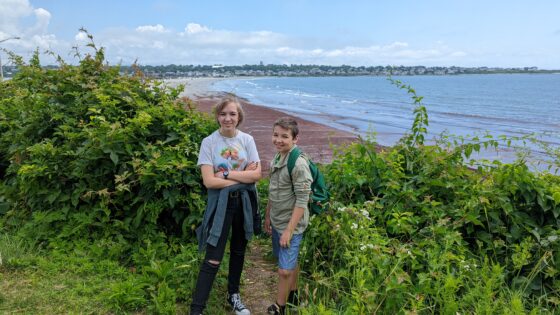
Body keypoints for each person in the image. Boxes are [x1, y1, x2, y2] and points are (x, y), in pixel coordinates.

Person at [191, 97, 262, 315]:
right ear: (217, 116)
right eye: (223, 114)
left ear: (239, 117)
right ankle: (197, 309)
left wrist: (227, 174)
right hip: (220, 205)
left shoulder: (247, 140)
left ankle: (234, 296)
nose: (227, 118)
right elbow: (209, 181)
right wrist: (243, 177)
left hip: (244, 204)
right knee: (213, 257)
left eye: (232, 114)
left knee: (239, 251)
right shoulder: (209, 142)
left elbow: (257, 174)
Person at [265, 117, 313, 315]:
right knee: (287, 261)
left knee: (284, 270)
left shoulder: (299, 164)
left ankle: (280, 306)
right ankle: (294, 297)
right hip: (277, 220)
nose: (278, 140)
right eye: (276, 135)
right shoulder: (277, 157)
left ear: (295, 139)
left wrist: (289, 231)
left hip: (291, 225)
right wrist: (268, 216)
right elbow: (272, 190)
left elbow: (302, 200)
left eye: (284, 136)